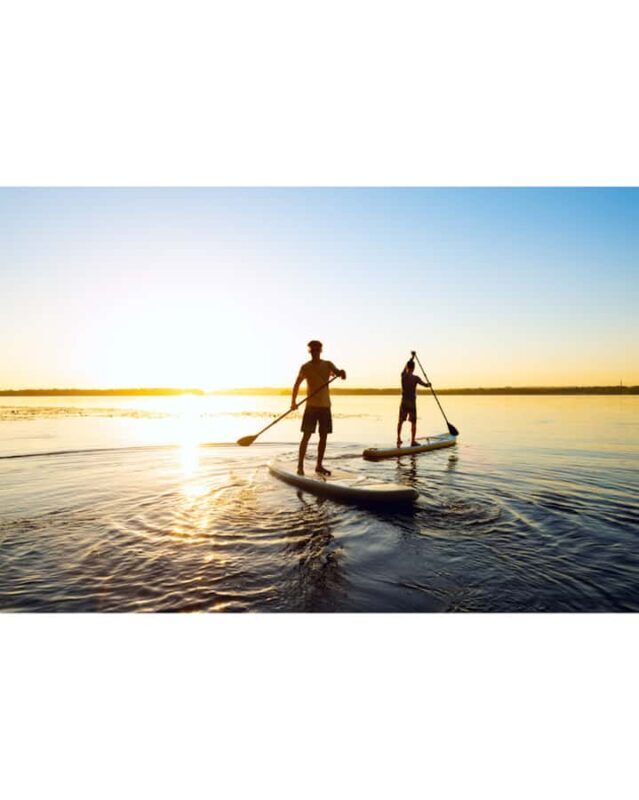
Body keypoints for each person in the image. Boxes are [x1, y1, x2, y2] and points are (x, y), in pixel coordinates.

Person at [291, 340, 346, 476]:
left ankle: (319, 465)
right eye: (312, 350)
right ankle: (300, 466)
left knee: (323, 437)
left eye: (317, 350)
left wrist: (342, 373)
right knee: (306, 436)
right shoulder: (305, 367)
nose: (315, 352)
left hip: (325, 407)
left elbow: (340, 374)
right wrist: (293, 401)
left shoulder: (328, 365)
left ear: (321, 351)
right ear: (309, 351)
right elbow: (297, 384)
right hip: (311, 407)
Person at [397, 357, 430, 447]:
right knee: (413, 422)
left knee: (400, 421)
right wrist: (428, 384)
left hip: (404, 402)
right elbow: (425, 385)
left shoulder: (403, 375)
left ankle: (398, 438)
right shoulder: (415, 378)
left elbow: (405, 367)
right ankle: (413, 441)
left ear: (407, 367)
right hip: (411, 403)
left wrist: (411, 358)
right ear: (414, 368)